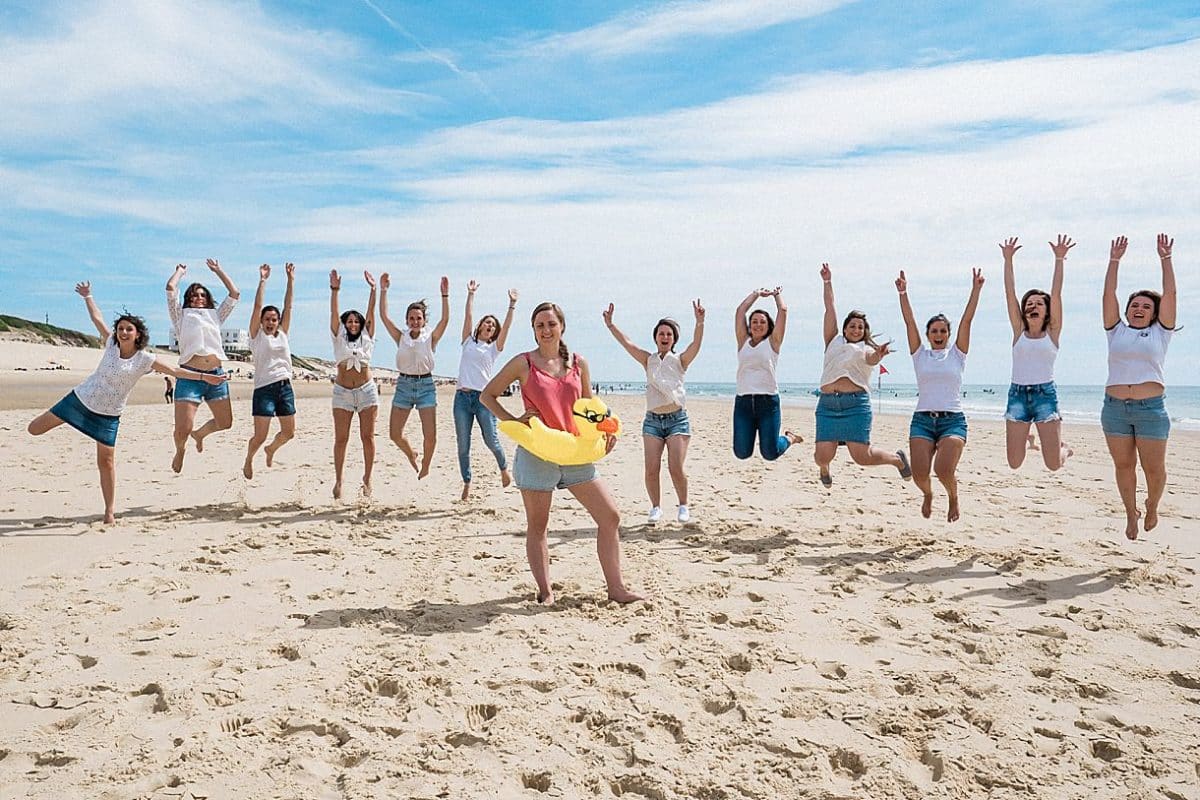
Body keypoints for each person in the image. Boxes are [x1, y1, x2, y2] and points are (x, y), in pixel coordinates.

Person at [481, 302, 642, 605]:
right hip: (537, 454)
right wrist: (513, 421)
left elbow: (590, 408)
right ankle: (545, 592)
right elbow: (487, 395)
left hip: (575, 453)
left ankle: (616, 588)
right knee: (538, 526)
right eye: (539, 325)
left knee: (609, 516)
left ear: (562, 327)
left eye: (551, 324)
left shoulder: (579, 364)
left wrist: (607, 431)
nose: (545, 330)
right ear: (534, 330)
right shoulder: (523, 363)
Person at [28, 282, 227, 523]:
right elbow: (97, 318)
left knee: (106, 462)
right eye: (120, 328)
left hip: (109, 414)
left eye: (128, 329)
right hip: (80, 400)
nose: (123, 333)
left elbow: (177, 371)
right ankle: (76, 426)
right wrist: (88, 296)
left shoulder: (145, 359)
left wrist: (206, 377)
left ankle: (109, 512)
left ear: (138, 334)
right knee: (34, 429)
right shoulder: (111, 344)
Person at [1102, 234, 1177, 540]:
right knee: (1124, 465)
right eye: (1134, 304)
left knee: (1154, 469)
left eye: (1146, 306)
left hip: (1151, 410)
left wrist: (1166, 259)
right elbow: (1108, 292)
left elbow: (1170, 293)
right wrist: (1114, 260)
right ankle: (1130, 512)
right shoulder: (1115, 330)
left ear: (1155, 312)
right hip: (1115, 409)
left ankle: (1152, 504)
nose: (1139, 308)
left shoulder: (1161, 332)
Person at [603, 300, 705, 523]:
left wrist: (699, 322)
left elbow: (696, 345)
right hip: (652, 421)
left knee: (675, 467)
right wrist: (611, 325)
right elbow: (627, 343)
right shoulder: (648, 360)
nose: (665, 337)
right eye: (661, 333)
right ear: (656, 337)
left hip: (677, 420)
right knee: (651, 469)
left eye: (669, 334)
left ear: (674, 339)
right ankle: (656, 507)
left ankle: (684, 505)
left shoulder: (680, 361)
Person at [896, 268, 984, 522]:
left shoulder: (957, 354)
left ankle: (953, 497)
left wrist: (975, 290)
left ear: (948, 334)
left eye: (943, 331)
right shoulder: (919, 354)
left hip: (952, 420)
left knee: (944, 471)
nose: (938, 335)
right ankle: (928, 494)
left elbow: (967, 321)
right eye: (933, 331)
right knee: (921, 475)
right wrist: (903, 292)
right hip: (922, 420)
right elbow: (909, 322)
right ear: (928, 335)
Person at [814, 263, 910, 487]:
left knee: (862, 457)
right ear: (845, 328)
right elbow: (830, 307)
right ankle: (825, 469)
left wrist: (879, 355)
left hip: (855, 406)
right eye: (852, 326)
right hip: (828, 405)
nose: (856, 329)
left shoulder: (866, 349)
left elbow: (871, 360)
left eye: (860, 327)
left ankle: (898, 460)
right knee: (821, 457)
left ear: (864, 331)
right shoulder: (833, 341)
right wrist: (827, 281)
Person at [1002, 235, 1074, 470]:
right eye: (1029, 304)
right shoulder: (1018, 331)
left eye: (1039, 304)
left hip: (1045, 396)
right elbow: (1010, 293)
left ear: (1047, 311)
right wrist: (1008, 260)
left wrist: (1060, 259)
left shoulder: (1052, 333)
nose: (1033, 306)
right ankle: (1029, 440)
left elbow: (1057, 293)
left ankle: (1064, 448)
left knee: (1053, 464)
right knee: (1014, 463)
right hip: (1017, 396)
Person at [165, 259, 240, 473]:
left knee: (225, 423)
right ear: (188, 298)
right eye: (194, 295)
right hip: (190, 377)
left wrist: (218, 270)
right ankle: (180, 450)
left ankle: (200, 434)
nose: (198, 298)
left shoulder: (215, 316)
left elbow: (234, 293)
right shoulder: (181, 316)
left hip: (216, 376)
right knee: (182, 429)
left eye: (202, 295)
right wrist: (179, 272)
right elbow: (171, 289)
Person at [380, 275, 450, 479]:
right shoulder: (400, 336)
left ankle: (426, 465)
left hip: (426, 386)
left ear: (424, 320)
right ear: (407, 320)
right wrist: (384, 291)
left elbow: (445, 320)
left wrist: (444, 295)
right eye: (411, 318)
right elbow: (384, 316)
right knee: (394, 434)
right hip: (403, 385)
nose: (415, 321)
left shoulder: (430, 337)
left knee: (430, 435)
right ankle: (411, 453)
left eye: (418, 318)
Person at [455, 280, 517, 500]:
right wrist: (470, 294)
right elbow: (468, 317)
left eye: (493, 325)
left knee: (491, 439)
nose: (490, 326)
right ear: (481, 326)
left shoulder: (493, 348)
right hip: (462, 398)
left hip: (483, 399)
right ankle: (467, 482)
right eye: (487, 323)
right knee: (463, 443)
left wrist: (511, 304)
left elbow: (507, 328)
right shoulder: (467, 342)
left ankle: (503, 468)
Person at [732, 287, 802, 461]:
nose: (758, 325)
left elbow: (783, 311)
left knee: (770, 453)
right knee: (742, 453)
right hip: (744, 403)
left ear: (768, 325)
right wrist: (756, 294)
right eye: (754, 321)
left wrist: (776, 295)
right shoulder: (743, 340)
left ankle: (789, 438)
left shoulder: (773, 341)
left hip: (768, 403)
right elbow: (740, 311)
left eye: (762, 322)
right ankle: (785, 438)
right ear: (749, 325)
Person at [243, 262, 296, 479]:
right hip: (264, 389)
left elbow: (289, 306)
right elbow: (257, 308)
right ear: (262, 322)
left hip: (284, 387)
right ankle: (249, 459)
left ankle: (271, 449)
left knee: (289, 433)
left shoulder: (283, 333)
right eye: (267, 319)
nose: (271, 322)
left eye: (274, 319)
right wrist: (262, 281)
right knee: (259, 435)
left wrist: (290, 280)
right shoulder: (256, 336)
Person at [329, 269, 379, 500]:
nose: (352, 324)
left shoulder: (367, 336)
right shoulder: (338, 336)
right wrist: (335, 290)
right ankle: (339, 480)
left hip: (366, 391)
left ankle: (367, 478)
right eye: (349, 321)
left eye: (356, 321)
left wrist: (373, 290)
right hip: (342, 393)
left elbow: (371, 313)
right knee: (341, 438)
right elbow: (334, 312)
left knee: (367, 437)